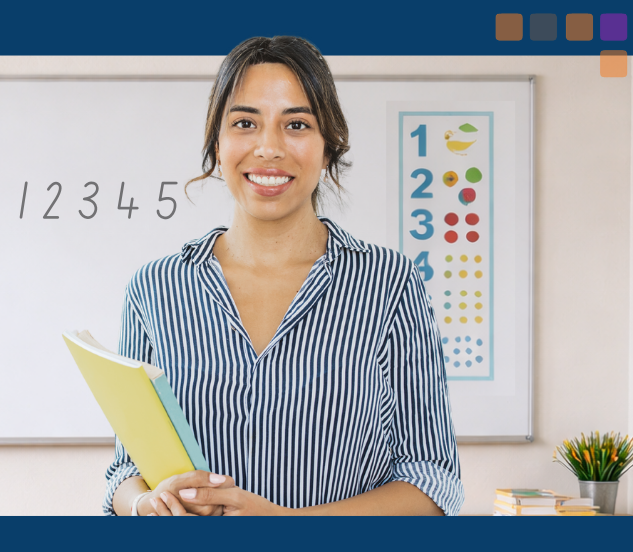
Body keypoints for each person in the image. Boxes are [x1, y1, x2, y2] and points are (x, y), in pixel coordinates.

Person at [104, 36, 462, 516]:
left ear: (328, 144)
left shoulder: (390, 283)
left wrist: (291, 526)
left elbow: (433, 479)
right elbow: (125, 471)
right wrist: (145, 504)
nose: (268, 148)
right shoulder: (155, 288)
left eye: (296, 124)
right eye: (245, 123)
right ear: (217, 141)